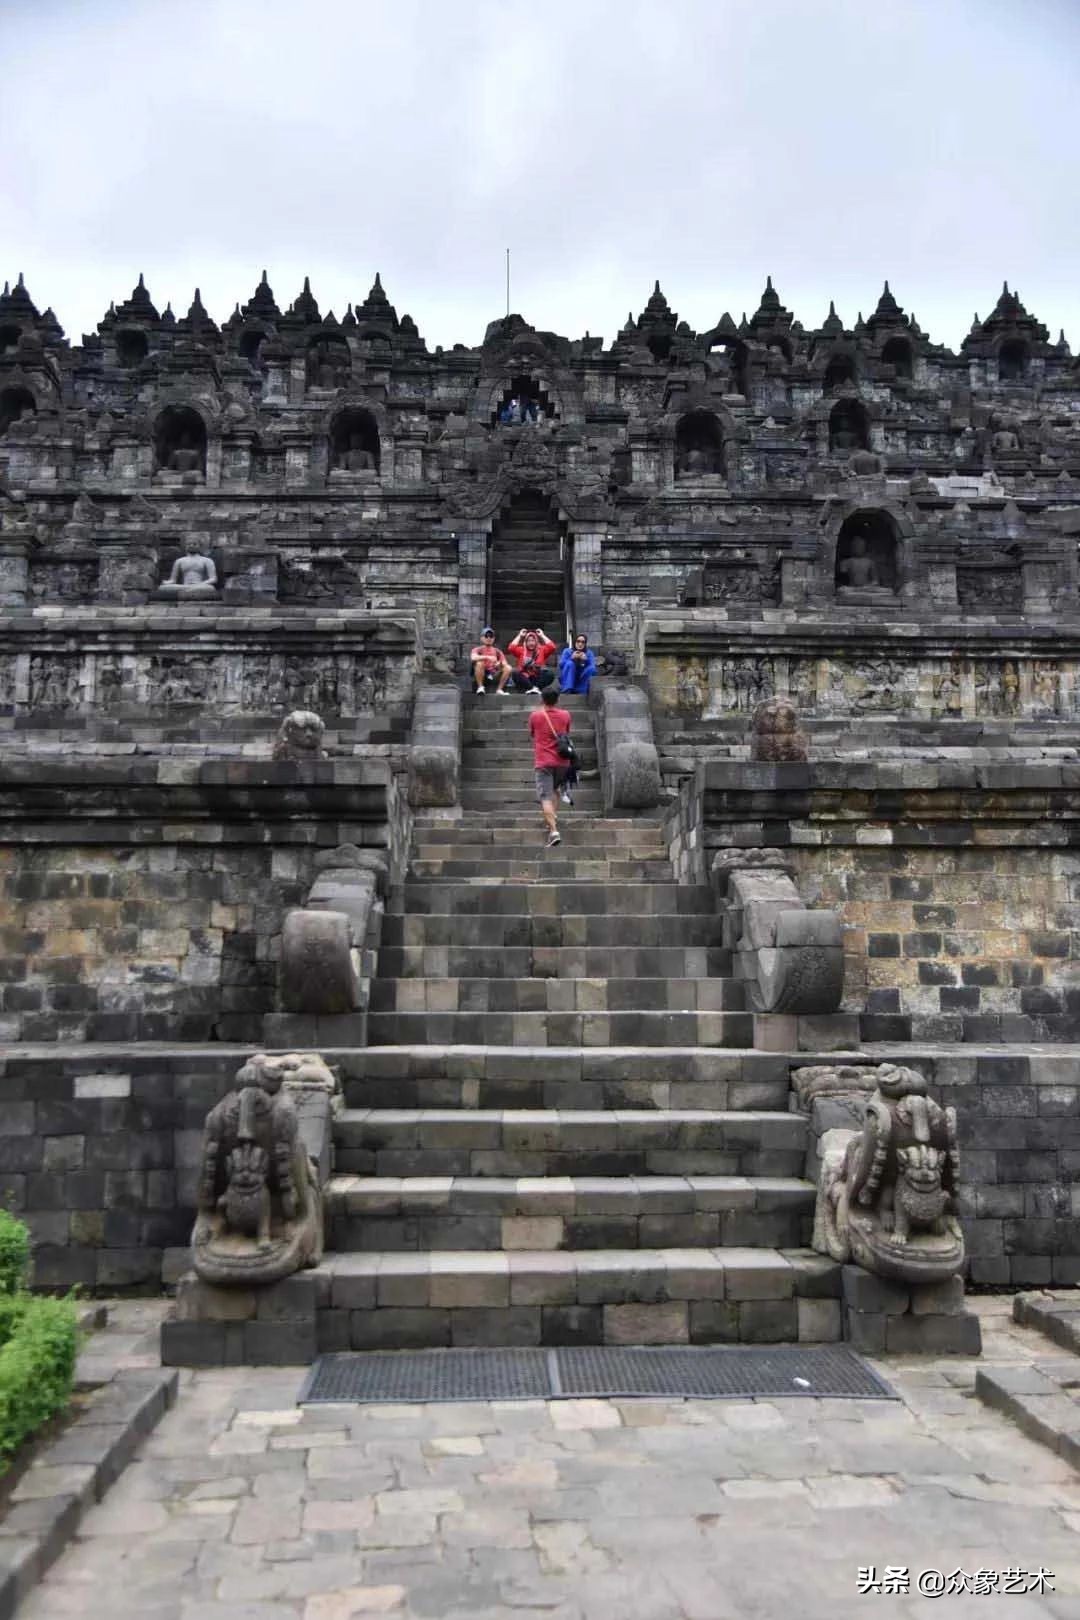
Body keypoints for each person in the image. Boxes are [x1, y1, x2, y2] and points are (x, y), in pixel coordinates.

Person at [528, 686, 573, 847]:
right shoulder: (566, 715)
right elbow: (566, 733)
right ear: (557, 700)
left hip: (544, 761)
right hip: (562, 762)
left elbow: (533, 733)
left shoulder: (535, 716)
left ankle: (553, 831)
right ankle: (552, 817)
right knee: (554, 790)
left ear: (542, 699)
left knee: (545, 797)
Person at [507, 627, 558, 692]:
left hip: (537, 678)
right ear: (526, 642)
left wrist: (542, 635)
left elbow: (552, 647)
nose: (531, 643)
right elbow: (511, 648)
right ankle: (532, 688)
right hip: (525, 678)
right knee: (515, 673)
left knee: (549, 674)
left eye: (533, 640)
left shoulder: (541, 650)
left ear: (536, 641)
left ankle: (535, 688)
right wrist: (520, 635)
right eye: (529, 641)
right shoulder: (521, 650)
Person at [470, 627, 511, 695]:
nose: (489, 638)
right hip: (482, 675)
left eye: (491, 636)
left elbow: (505, 664)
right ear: (482, 638)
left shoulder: (498, 651)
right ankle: (480, 687)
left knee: (508, 668)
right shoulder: (477, 649)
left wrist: (499, 664)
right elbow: (473, 657)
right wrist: (487, 657)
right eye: (486, 636)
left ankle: (499, 689)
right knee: (480, 663)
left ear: (494, 638)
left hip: (493, 674)